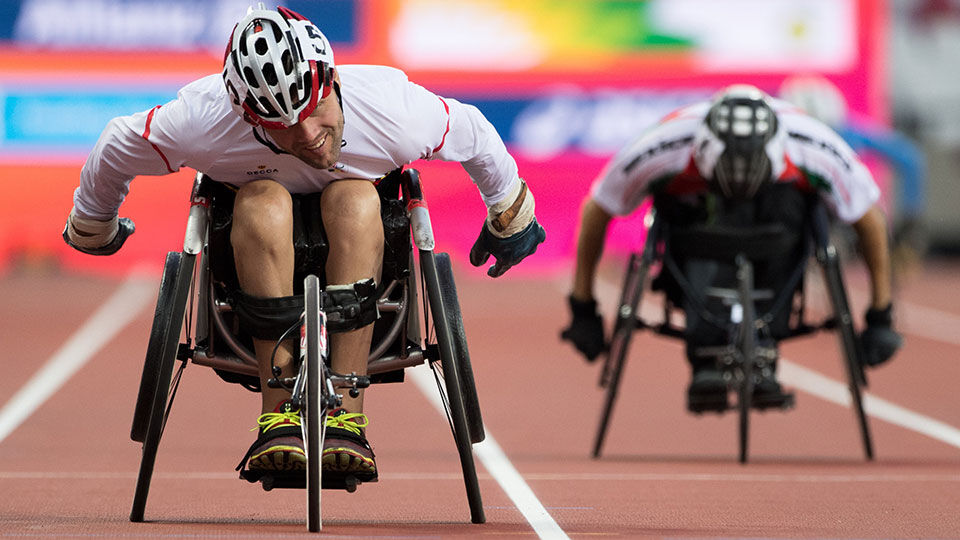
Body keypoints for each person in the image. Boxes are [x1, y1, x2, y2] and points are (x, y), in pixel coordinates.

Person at [62, 4, 545, 481]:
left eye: (314, 112)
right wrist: (93, 223)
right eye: (282, 126)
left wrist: (511, 214)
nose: (309, 136)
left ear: (332, 80)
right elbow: (116, 144)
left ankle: (347, 417)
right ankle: (278, 420)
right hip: (253, 238)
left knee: (354, 198)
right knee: (261, 201)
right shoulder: (204, 119)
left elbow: (475, 134)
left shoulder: (391, 108)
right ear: (249, 118)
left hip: (361, 229)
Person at [560, 84, 902, 413]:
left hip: (778, 230)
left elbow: (868, 218)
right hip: (697, 229)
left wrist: (880, 315)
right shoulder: (664, 144)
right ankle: (705, 349)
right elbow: (598, 208)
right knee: (683, 209)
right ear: (701, 151)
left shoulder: (813, 145)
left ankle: (766, 338)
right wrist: (582, 305)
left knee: (795, 208)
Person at [779, 74, 928, 276]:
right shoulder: (846, 131)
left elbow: (910, 159)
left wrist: (911, 222)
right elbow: (910, 159)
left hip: (833, 212)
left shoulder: (849, 131)